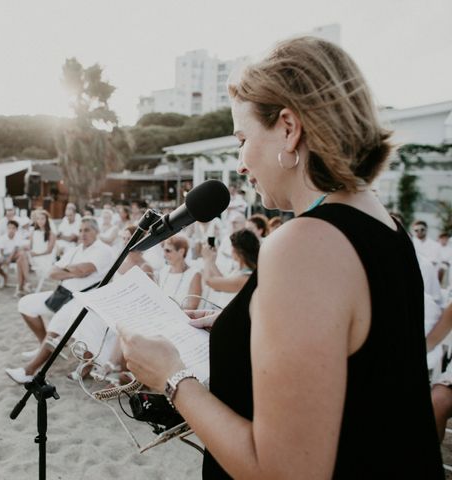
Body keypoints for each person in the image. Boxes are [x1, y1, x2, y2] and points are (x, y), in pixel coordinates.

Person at [118, 36, 443, 478]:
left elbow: (284, 472)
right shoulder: (386, 226)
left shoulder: (304, 244)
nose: (239, 164)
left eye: (242, 139)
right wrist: (247, 327)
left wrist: (173, 378)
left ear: (289, 129)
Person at [6, 217, 113, 384]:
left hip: (84, 299)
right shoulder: (76, 249)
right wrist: (73, 272)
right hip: (62, 293)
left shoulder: (104, 250)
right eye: (80, 230)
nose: (82, 234)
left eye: (87, 230)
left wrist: (67, 271)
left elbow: (85, 270)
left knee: (56, 324)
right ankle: (44, 345)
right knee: (25, 304)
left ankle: (29, 371)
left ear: (96, 232)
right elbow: (52, 272)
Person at [200, 228, 260, 308]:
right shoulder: (242, 271)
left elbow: (209, 281)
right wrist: (212, 261)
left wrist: (207, 259)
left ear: (239, 251)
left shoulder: (246, 278)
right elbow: (222, 283)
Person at [15, 209, 56, 295]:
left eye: (42, 219)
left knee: (21, 259)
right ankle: (26, 284)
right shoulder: (34, 232)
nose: (40, 221)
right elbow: (30, 247)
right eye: (38, 219)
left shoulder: (51, 234)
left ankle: (22, 286)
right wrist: (24, 248)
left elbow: (49, 251)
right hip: (33, 257)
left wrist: (35, 254)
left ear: (47, 220)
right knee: (21, 257)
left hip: (43, 259)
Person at [156, 235, 202, 310]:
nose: (164, 255)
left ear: (181, 252)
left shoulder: (195, 274)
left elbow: (192, 307)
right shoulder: (163, 271)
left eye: (168, 251)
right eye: (163, 250)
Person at [0, 220, 26, 288]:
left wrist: (10, 258)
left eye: (13, 228)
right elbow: (1, 251)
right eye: (9, 228)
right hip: (5, 255)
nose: (11, 230)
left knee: (21, 254)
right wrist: (4, 259)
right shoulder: (3, 238)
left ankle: (22, 283)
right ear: (7, 228)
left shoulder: (18, 236)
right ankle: (4, 275)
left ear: (16, 229)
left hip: (15, 255)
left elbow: (16, 248)